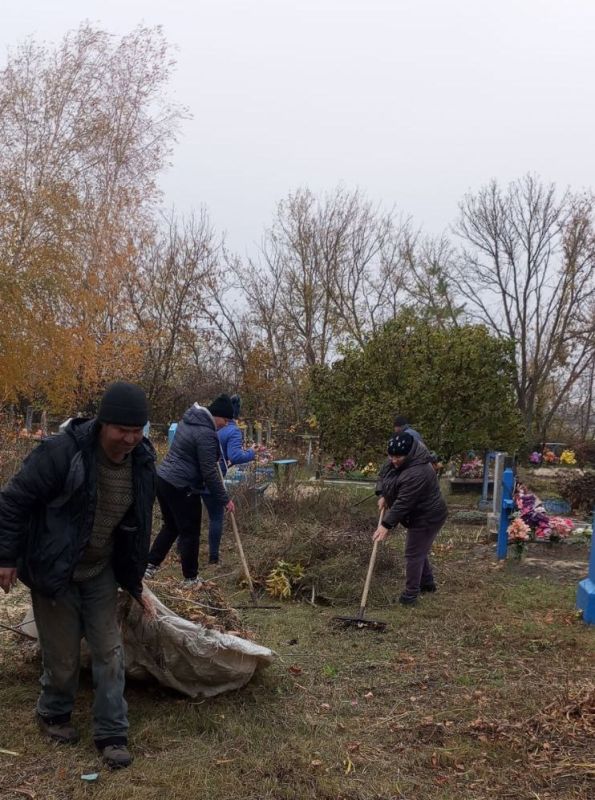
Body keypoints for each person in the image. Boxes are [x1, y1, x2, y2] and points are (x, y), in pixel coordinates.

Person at [0, 381, 156, 768]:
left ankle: (112, 732)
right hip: (55, 568)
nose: (131, 439)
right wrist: (5, 557)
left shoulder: (142, 461)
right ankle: (53, 712)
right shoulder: (62, 452)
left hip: (100, 569)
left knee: (110, 651)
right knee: (63, 656)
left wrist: (133, 580)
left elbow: (139, 521)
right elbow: (14, 500)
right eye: (123, 430)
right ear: (104, 424)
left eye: (138, 431)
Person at [144, 394, 235, 583]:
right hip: (182, 485)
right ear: (216, 415)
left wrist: (212, 454)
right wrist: (225, 499)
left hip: (164, 480)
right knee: (190, 531)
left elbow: (196, 454)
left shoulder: (189, 422)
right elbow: (209, 472)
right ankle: (191, 578)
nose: (225, 424)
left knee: (171, 526)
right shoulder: (206, 433)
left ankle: (149, 566)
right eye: (225, 420)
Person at [373, 432, 448, 605]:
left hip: (428, 515)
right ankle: (427, 584)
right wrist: (383, 494)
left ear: (409, 453)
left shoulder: (419, 471)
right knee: (419, 550)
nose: (394, 460)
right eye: (391, 456)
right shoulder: (397, 459)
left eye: (398, 457)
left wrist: (385, 525)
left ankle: (410, 595)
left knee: (413, 553)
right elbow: (384, 474)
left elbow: (403, 503)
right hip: (417, 513)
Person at [202, 394, 255, 565]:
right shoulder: (233, 431)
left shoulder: (212, 427)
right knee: (216, 516)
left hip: (198, 476)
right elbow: (235, 456)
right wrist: (252, 453)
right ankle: (214, 558)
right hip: (214, 478)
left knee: (190, 515)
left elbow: (225, 457)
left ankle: (182, 549)